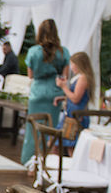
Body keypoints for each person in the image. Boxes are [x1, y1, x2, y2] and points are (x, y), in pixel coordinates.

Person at [21, 18, 69, 166]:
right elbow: (65, 77)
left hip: (37, 92)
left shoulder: (33, 51)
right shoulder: (63, 52)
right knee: (50, 129)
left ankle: (30, 162)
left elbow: (30, 75)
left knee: (33, 129)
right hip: (54, 92)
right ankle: (44, 162)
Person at [54, 51, 94, 151]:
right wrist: (63, 98)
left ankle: (58, 165)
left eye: (72, 64)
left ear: (79, 64)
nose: (71, 67)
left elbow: (76, 99)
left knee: (66, 145)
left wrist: (63, 87)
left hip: (75, 117)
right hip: (73, 116)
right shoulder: (83, 77)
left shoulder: (83, 78)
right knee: (65, 146)